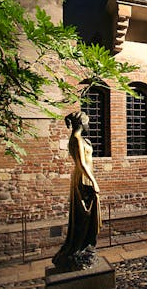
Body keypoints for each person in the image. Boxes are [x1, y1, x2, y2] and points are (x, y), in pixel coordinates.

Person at [52, 112, 102, 271]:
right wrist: (94, 181)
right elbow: (81, 163)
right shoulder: (76, 139)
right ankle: (77, 248)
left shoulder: (81, 139)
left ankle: (85, 246)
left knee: (88, 216)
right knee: (84, 216)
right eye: (87, 122)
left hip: (86, 179)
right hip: (83, 180)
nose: (89, 125)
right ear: (81, 123)